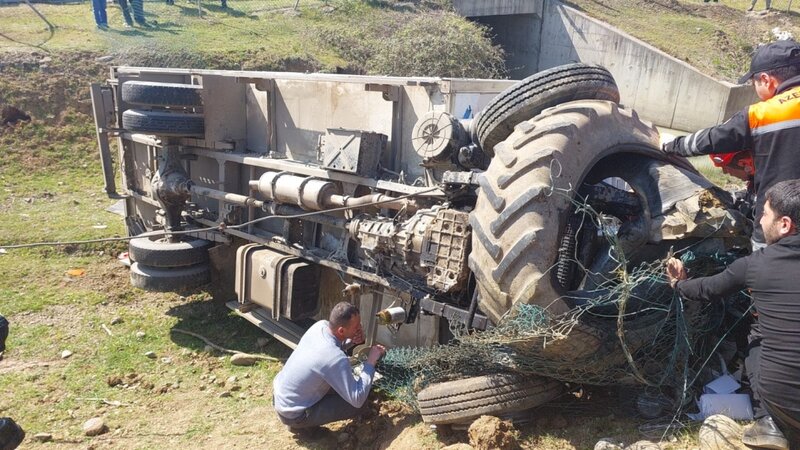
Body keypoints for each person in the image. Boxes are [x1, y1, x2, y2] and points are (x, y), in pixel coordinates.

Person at [666, 179, 800, 450]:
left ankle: (767, 421)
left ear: (785, 224)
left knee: (755, 330)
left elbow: (708, 289)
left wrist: (678, 284)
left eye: (764, 214)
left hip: (785, 400)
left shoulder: (754, 265)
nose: (760, 221)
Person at [272, 302, 386, 431]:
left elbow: (331, 347)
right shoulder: (335, 358)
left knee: (344, 385)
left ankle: (299, 419)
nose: (359, 328)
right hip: (293, 414)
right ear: (341, 330)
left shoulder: (319, 326)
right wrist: (371, 361)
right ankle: (301, 426)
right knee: (359, 404)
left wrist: (351, 341)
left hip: (281, 397)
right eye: (356, 327)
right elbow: (357, 398)